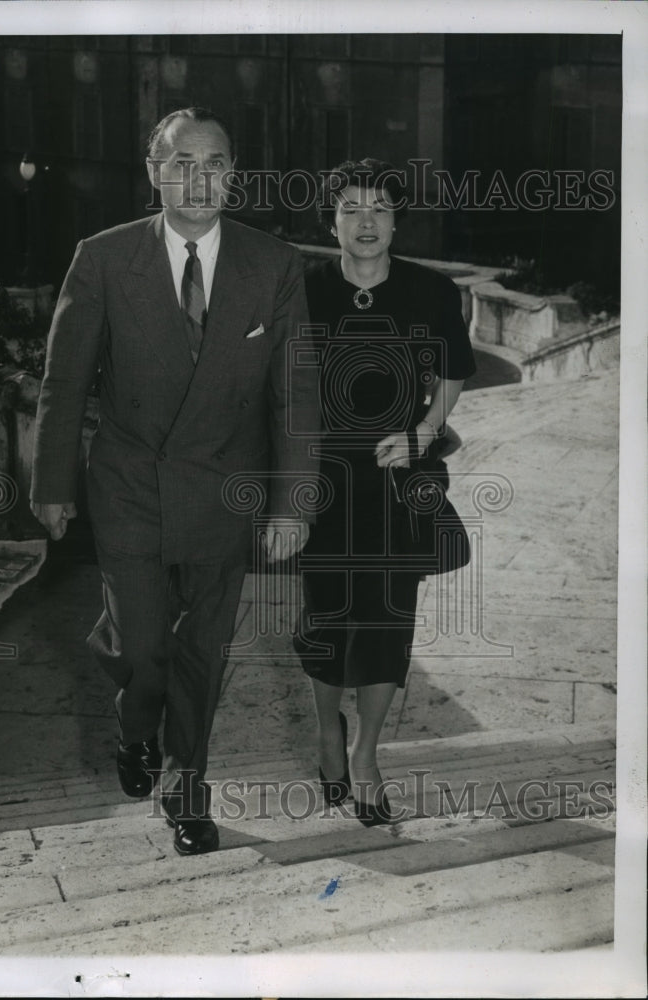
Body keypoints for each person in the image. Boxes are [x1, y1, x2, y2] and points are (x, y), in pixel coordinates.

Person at [31, 107, 319, 855]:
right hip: (130, 485)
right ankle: (137, 729)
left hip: (227, 492)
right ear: (154, 173)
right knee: (144, 648)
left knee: (202, 651)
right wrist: (51, 483)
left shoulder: (273, 264)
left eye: (215, 163)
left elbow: (295, 393)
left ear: (234, 174)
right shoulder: (103, 258)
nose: (199, 179)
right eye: (182, 163)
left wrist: (292, 503)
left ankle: (186, 786)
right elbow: (65, 381)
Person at [294, 158, 476, 825]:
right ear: (332, 222)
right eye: (351, 208)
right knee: (325, 618)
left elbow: (454, 371)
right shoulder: (304, 289)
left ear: (397, 222)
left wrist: (423, 433)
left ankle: (366, 754)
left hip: (399, 484)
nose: (366, 222)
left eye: (379, 208)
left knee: (388, 622)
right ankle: (327, 731)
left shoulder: (432, 290)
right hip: (322, 483)